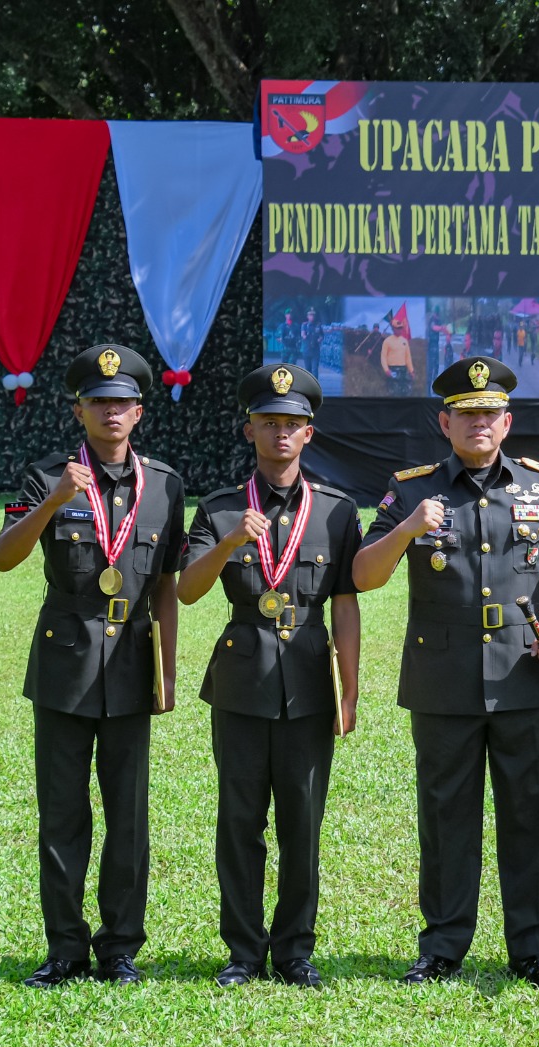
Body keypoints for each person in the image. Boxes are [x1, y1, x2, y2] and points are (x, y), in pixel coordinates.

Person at [352, 355, 539, 990]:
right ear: (445, 421)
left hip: (523, 675)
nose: (479, 423)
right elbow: (362, 576)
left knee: (529, 816)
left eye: (490, 414)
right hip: (443, 680)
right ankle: (443, 946)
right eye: (467, 414)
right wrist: (408, 526)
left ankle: (533, 948)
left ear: (506, 422)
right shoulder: (412, 488)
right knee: (446, 815)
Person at [0, 343, 184, 988]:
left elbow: (166, 586)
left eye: (122, 402)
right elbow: (4, 556)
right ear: (79, 410)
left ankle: (121, 947)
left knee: (128, 815)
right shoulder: (46, 476)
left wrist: (169, 670)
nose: (111, 412)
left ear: (138, 412)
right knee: (63, 813)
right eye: (99, 402)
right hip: (65, 664)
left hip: (132, 663)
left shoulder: (164, 485)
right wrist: (51, 503)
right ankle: (65, 948)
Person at [178, 364, 362, 989]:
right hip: (241, 678)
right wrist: (228, 542)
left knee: (302, 823)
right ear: (250, 428)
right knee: (239, 819)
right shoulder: (222, 506)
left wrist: (351, 686)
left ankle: (295, 951)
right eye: (269, 423)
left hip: (310, 677)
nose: (281, 434)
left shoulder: (336, 511)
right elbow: (187, 590)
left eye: (293, 424)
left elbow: (344, 602)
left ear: (309, 433)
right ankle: (243, 951)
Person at [380, 327, 414, 396]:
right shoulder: (387, 341)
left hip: (403, 370)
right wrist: (386, 370)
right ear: (393, 329)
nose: (399, 330)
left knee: (405, 392)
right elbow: (383, 357)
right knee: (394, 392)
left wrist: (411, 371)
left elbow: (408, 358)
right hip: (392, 369)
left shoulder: (404, 341)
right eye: (398, 328)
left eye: (401, 328)